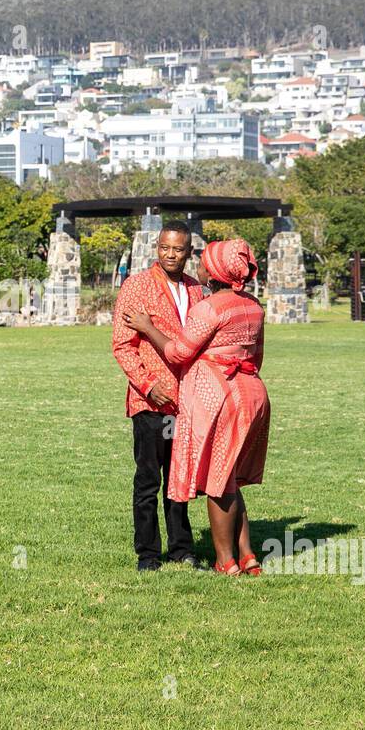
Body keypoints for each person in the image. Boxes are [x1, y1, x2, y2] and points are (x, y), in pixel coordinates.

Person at [126, 238, 270, 577]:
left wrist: (148, 327)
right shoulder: (253, 305)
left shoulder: (209, 305)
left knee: (217, 479)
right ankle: (247, 555)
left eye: (204, 261)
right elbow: (257, 356)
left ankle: (225, 561)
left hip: (220, 397)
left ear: (215, 270)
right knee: (231, 478)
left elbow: (179, 352)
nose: (199, 267)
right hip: (253, 393)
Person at [111, 221, 206, 572]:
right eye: (165, 247)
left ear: (188, 252)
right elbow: (122, 346)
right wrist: (150, 386)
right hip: (150, 402)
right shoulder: (136, 287)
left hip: (187, 402)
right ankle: (148, 554)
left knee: (180, 482)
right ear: (157, 248)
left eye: (178, 249)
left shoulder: (197, 290)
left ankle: (182, 548)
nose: (171, 254)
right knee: (149, 480)